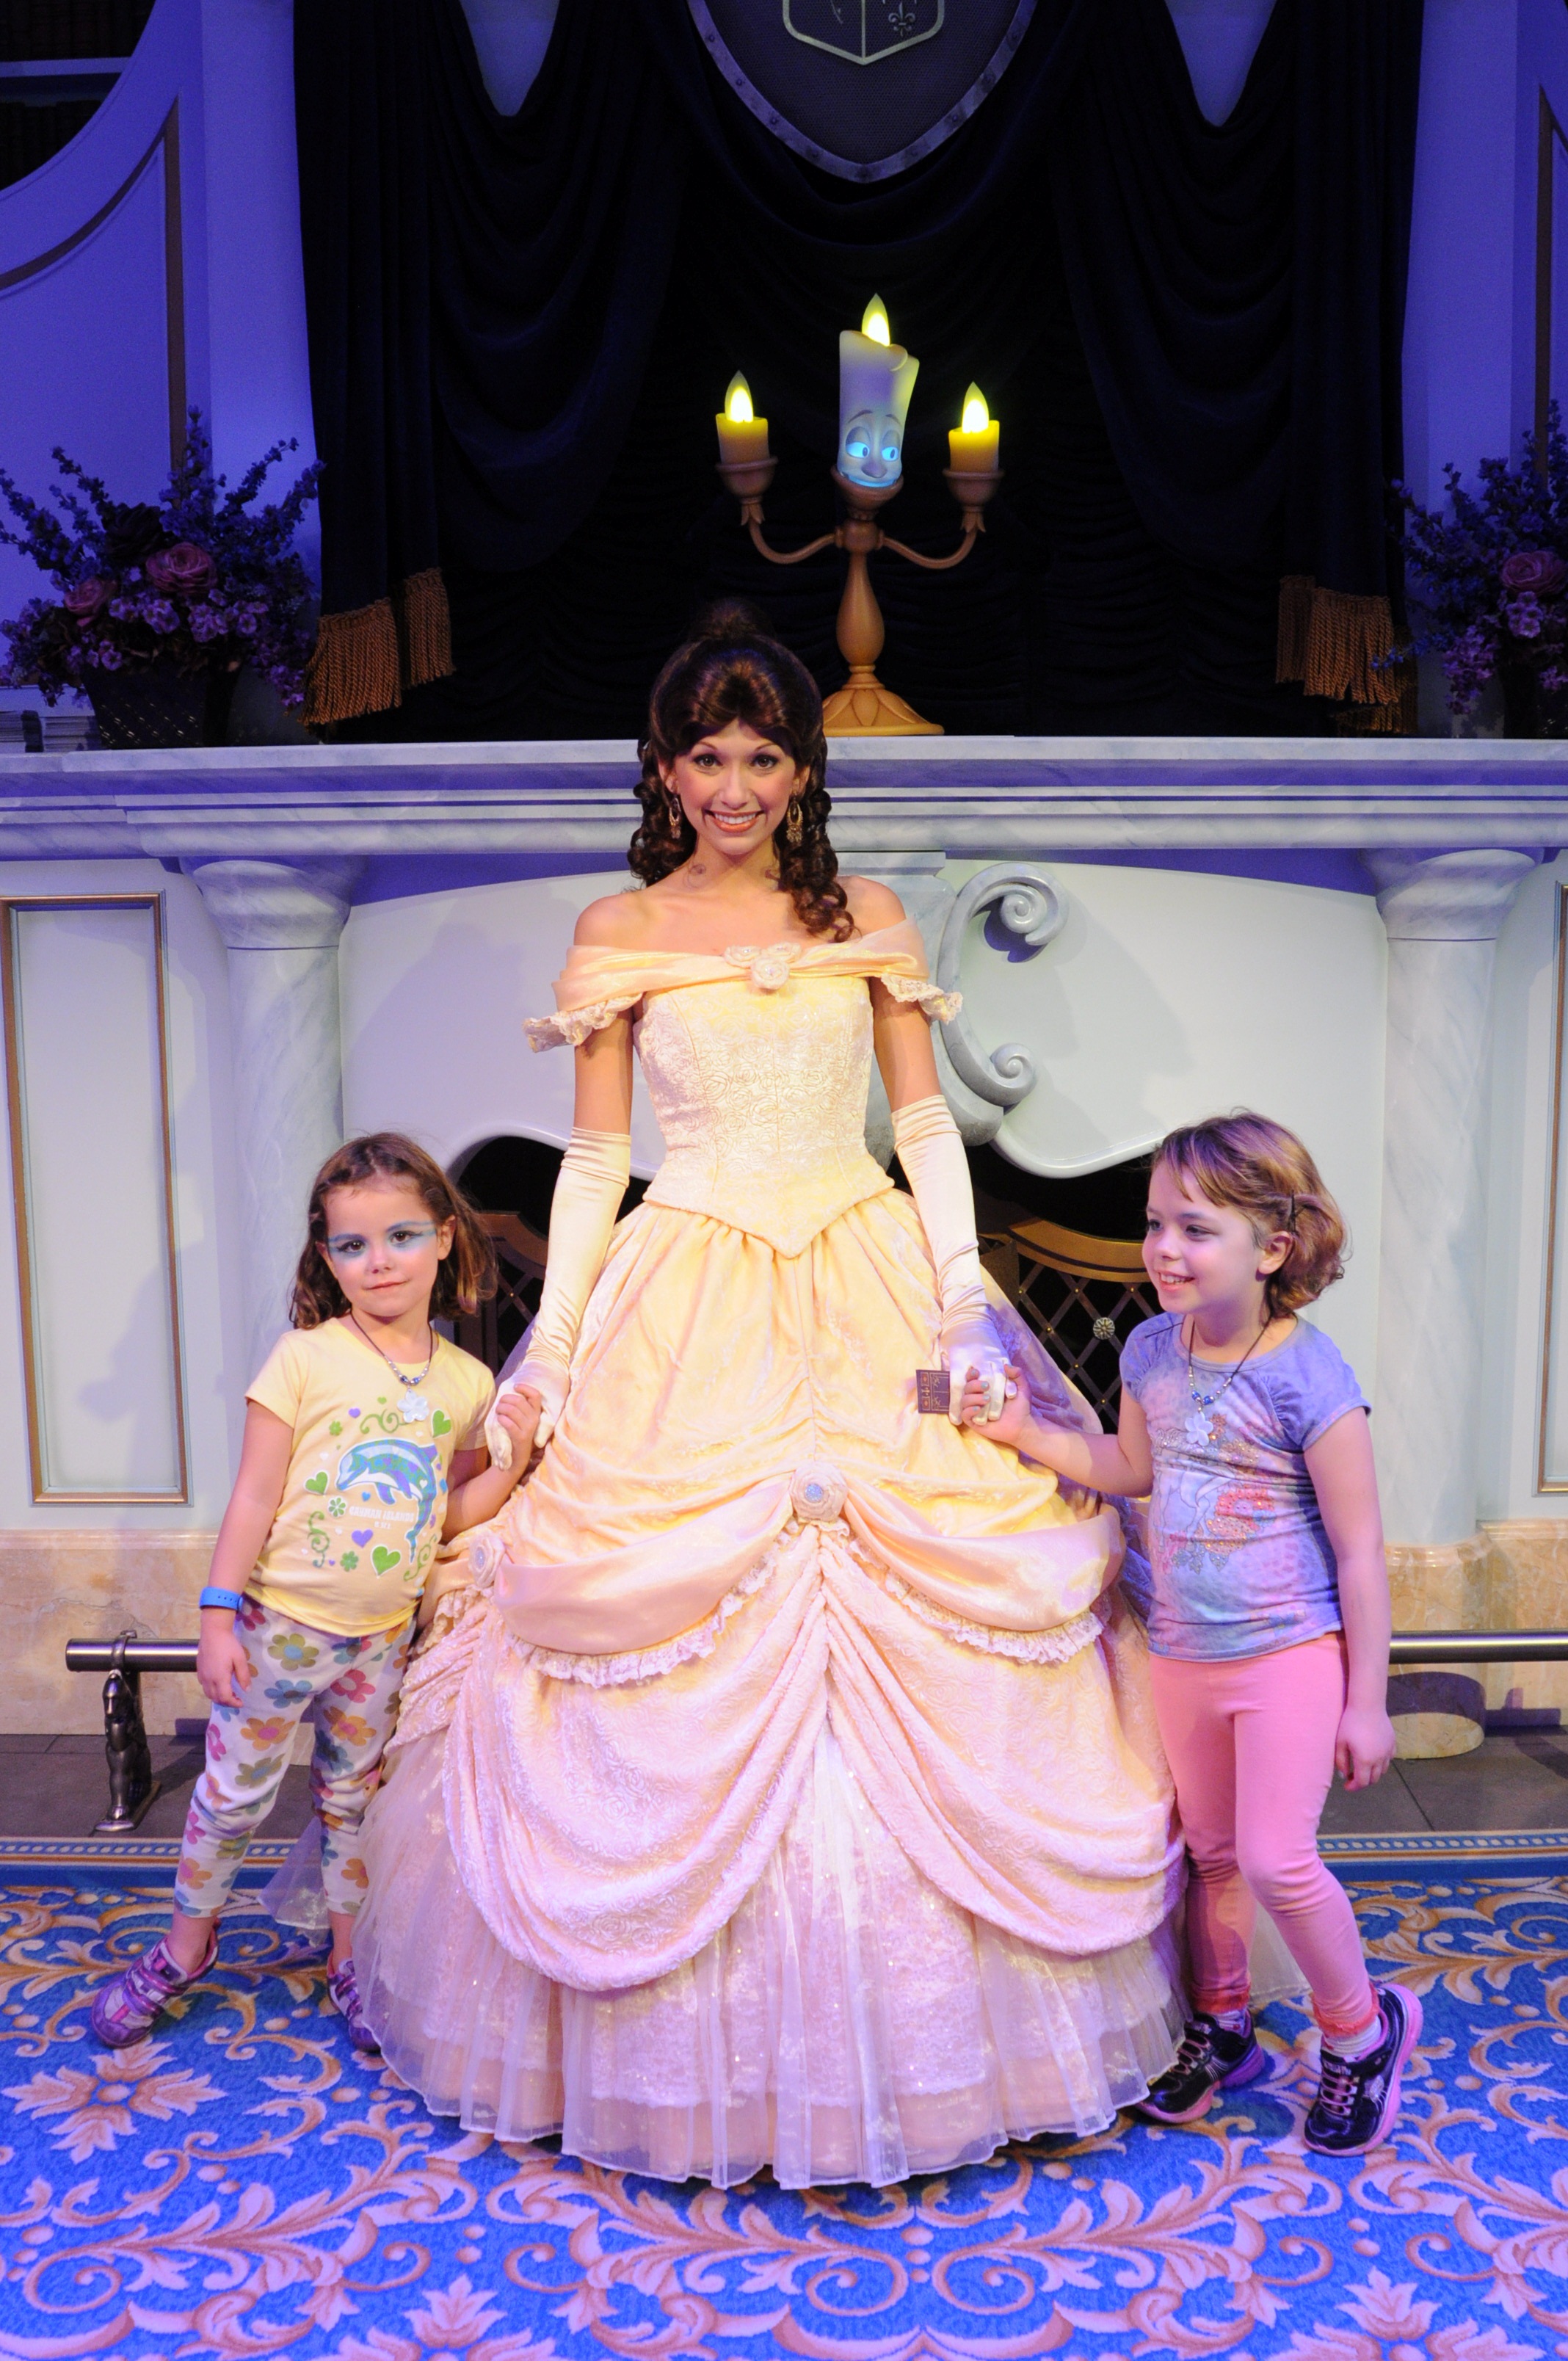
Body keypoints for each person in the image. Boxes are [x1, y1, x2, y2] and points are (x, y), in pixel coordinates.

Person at [352, 603, 1186, 2190]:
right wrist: (554, 1349)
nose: (735, 786)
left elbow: (924, 1125)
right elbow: (595, 1158)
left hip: (866, 1266)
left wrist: (964, 1295)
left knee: (957, 1562)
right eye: (707, 758)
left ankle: (960, 2039)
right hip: (691, 1282)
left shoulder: (866, 910)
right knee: (632, 1594)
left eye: (763, 757)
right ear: (663, 772)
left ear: (804, 770)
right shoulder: (617, 927)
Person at [964, 1113, 1418, 2159]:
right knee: (1211, 1855)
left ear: (1273, 1248)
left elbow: (1360, 1551)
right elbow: (1132, 1470)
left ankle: (1361, 2034)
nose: (1164, 1249)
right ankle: (1224, 2026)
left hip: (1290, 1653)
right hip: (1185, 1653)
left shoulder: (1309, 1377)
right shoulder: (1149, 1350)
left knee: (1276, 1859)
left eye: (1196, 1229)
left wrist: (1366, 1701)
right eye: (1155, 1223)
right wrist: (1023, 1432)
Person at [90, 1134, 537, 2053]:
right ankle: (185, 1948)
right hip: (279, 1630)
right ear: (328, 1258)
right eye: (353, 1245)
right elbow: (254, 1497)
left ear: (445, 1238)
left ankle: (348, 1958)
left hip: (381, 1640)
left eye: (402, 1237)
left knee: (352, 1803)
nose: (380, 1262)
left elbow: (445, 1515)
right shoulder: (303, 1358)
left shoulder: (465, 1383)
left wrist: (513, 1462)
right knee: (233, 1798)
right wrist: (217, 1616)